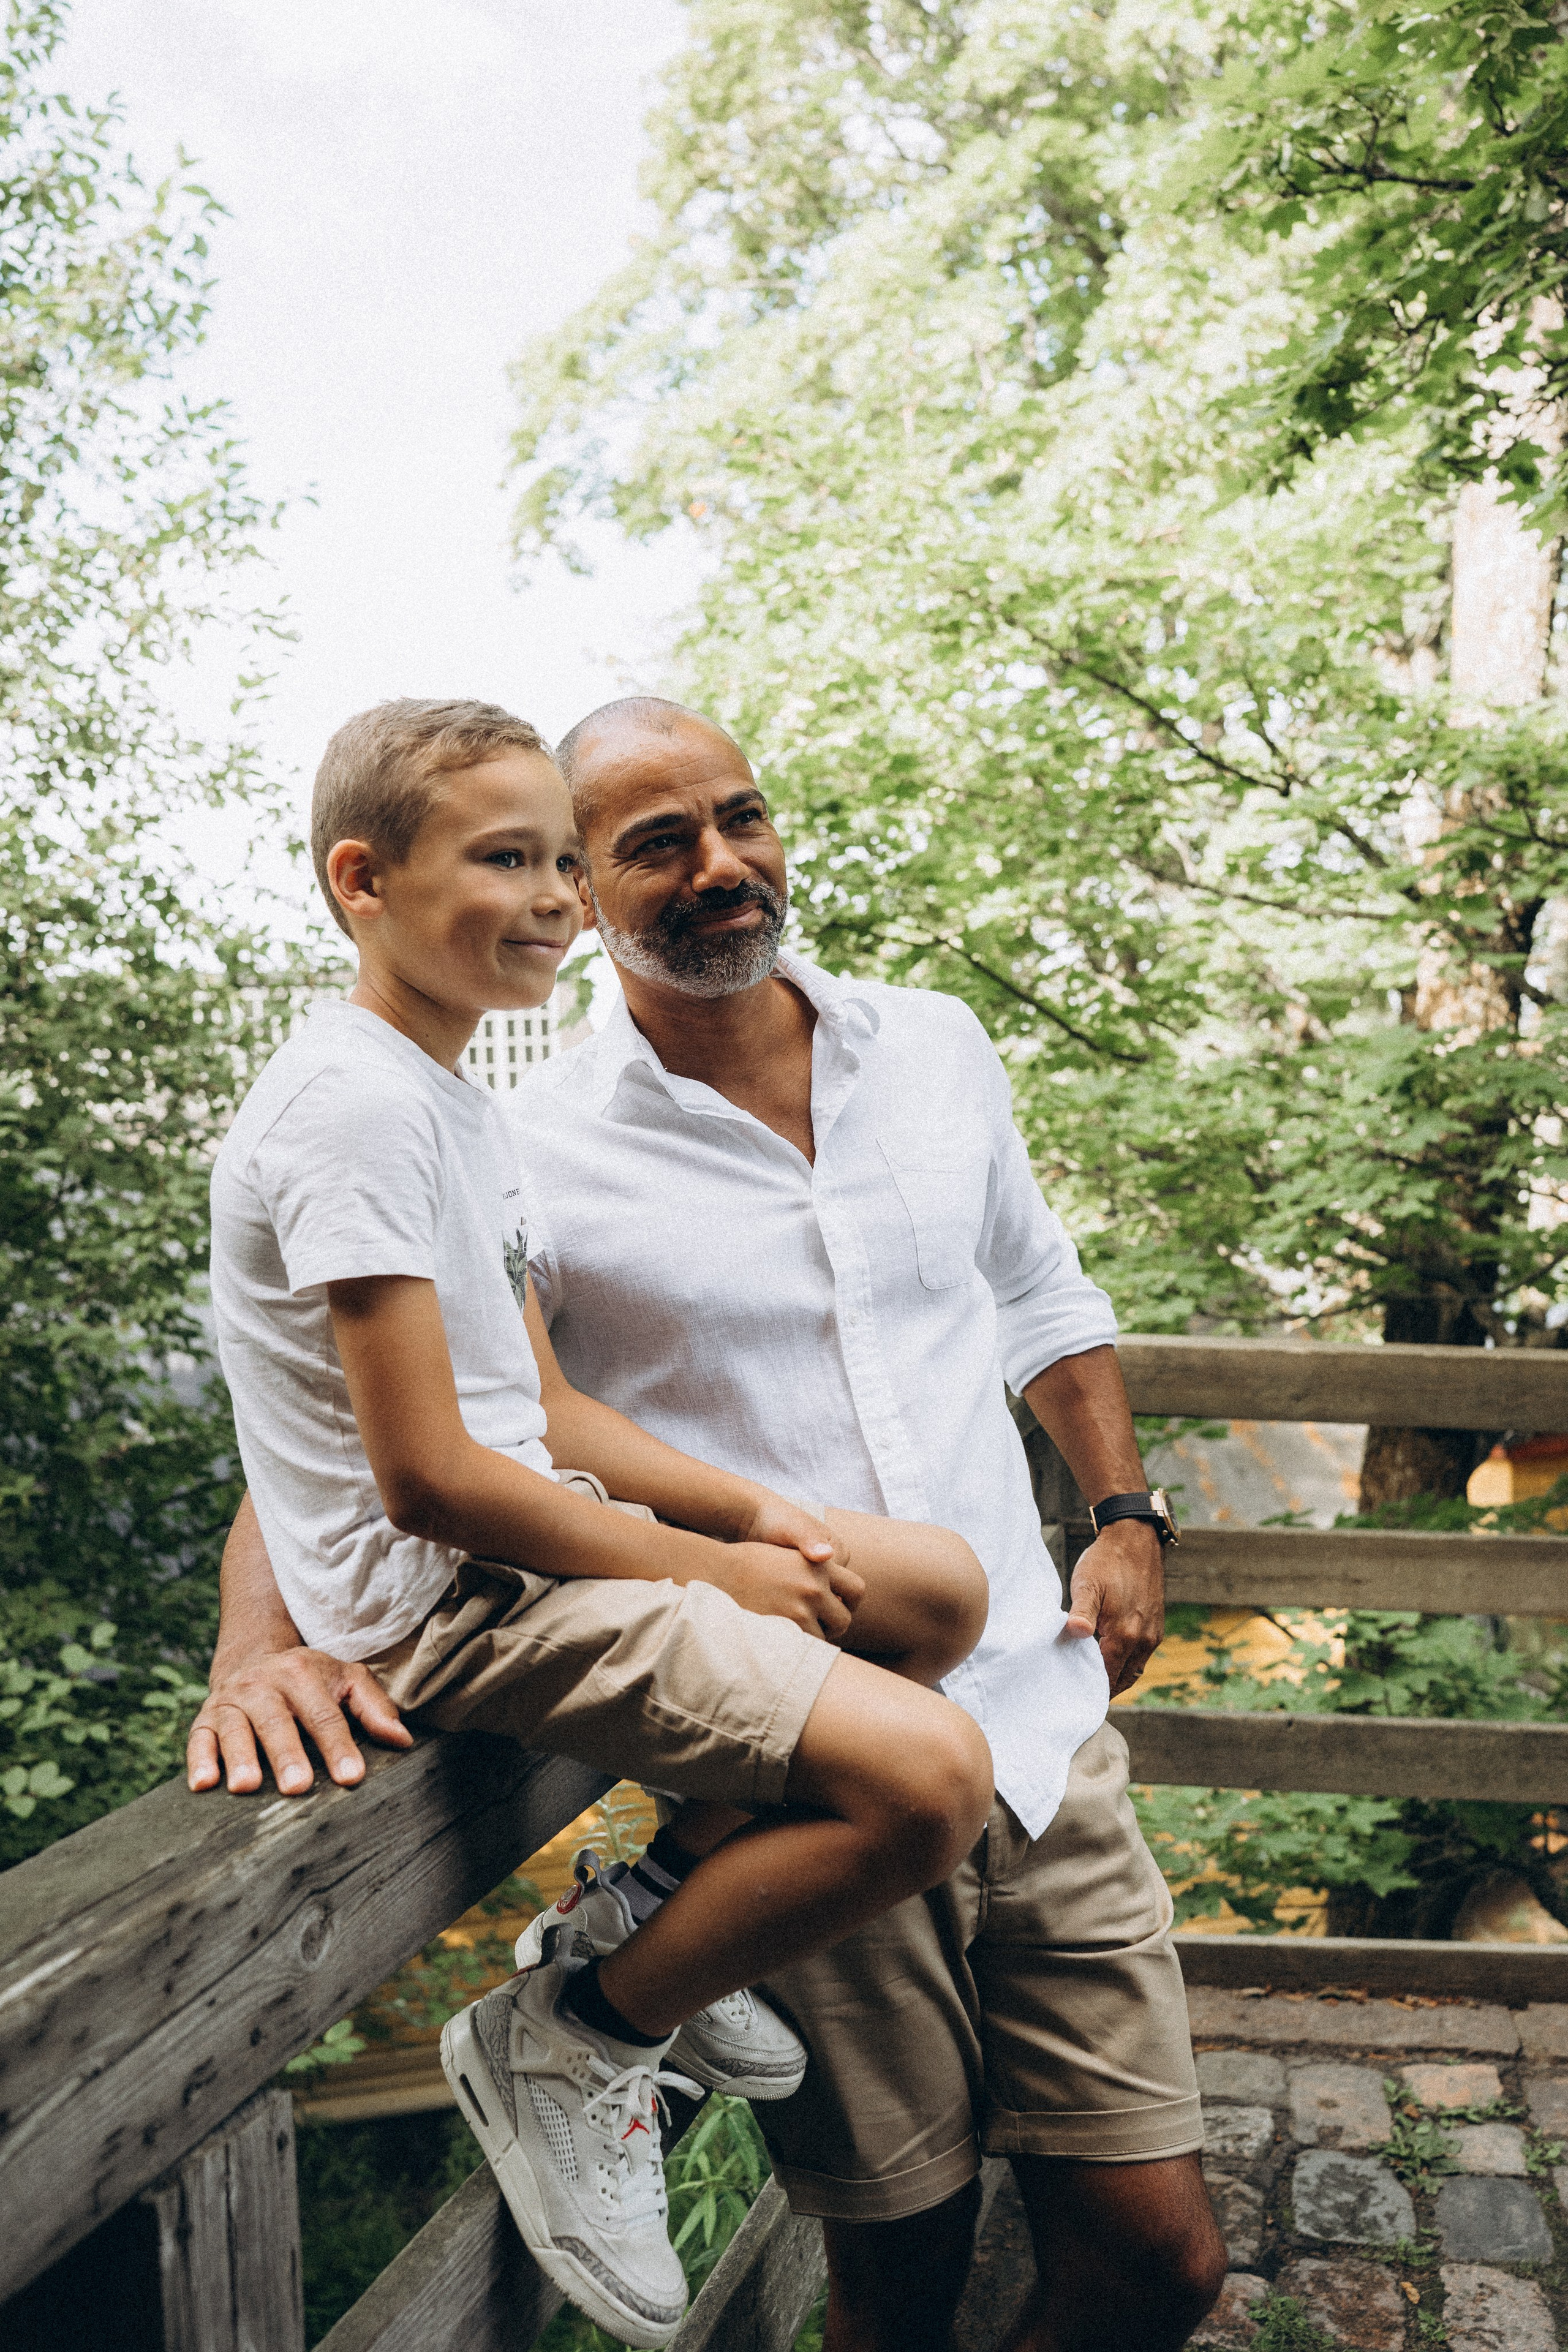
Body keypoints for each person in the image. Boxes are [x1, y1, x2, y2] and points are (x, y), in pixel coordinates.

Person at [194, 696, 1228, 2352]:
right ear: (592, 894)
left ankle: (631, 1922)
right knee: (904, 2261)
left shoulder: (932, 1047)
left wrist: (1123, 1512)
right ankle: (599, 2007)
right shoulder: (514, 1132)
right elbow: (355, 1425)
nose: (722, 864)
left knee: (1160, 2264)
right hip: (810, 1778)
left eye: (741, 817)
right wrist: (256, 1646)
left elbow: (1041, 1291)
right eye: (654, 845)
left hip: (1035, 1721)